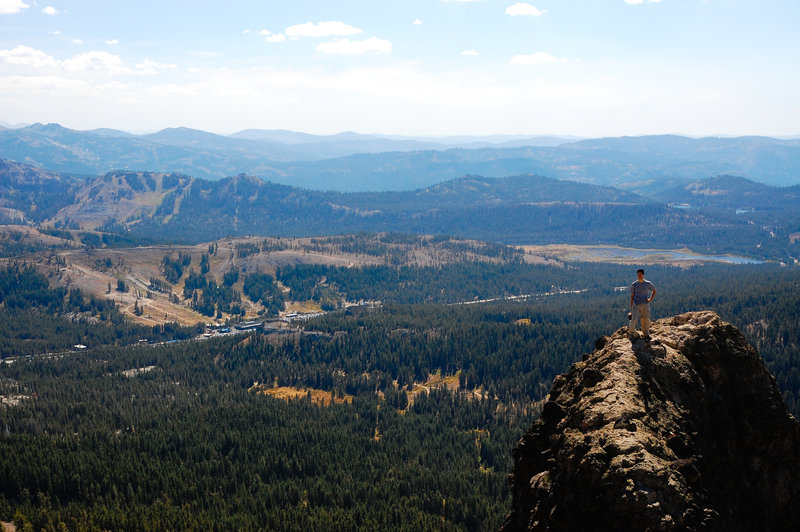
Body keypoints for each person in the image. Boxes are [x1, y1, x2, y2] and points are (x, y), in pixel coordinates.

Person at [629, 268, 656, 340]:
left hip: (645, 304)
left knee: (645, 319)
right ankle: (631, 334)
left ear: (643, 275)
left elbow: (654, 290)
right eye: (638, 275)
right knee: (634, 320)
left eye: (640, 274)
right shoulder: (634, 284)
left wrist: (650, 299)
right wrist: (631, 307)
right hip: (636, 304)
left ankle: (646, 334)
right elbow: (632, 296)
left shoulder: (647, 283)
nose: (639, 276)